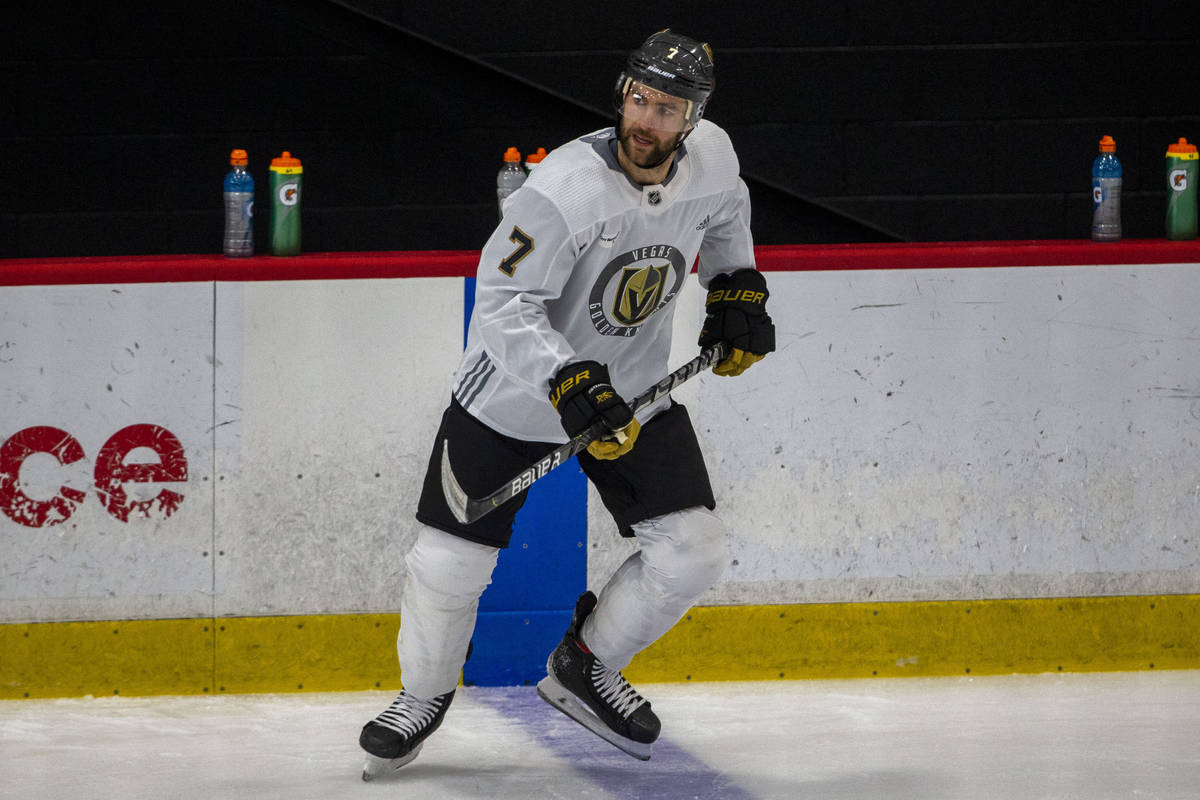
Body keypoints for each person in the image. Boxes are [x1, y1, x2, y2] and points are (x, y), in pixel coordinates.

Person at [359, 29, 775, 779]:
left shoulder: (714, 158)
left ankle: (586, 665)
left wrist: (737, 283)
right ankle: (421, 697)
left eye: (669, 108)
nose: (647, 119)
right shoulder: (561, 190)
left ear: (695, 118)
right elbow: (504, 304)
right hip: (514, 397)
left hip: (634, 396)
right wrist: (568, 377)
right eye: (639, 98)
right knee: (448, 563)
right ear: (622, 92)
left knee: (693, 551)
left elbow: (725, 213)